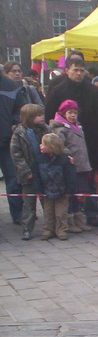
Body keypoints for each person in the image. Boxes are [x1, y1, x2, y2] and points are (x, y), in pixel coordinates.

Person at [44, 56, 98, 226]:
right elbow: (49, 115)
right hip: (66, 141)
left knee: (90, 176)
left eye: (81, 70)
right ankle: (69, 217)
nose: (79, 74)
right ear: (67, 70)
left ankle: (92, 213)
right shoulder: (57, 90)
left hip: (90, 139)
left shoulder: (92, 90)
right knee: (69, 178)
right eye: (75, 70)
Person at [50, 99, 95, 233]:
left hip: (81, 166)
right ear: (64, 113)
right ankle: (69, 221)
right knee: (71, 195)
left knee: (80, 195)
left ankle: (79, 220)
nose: (73, 115)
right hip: (71, 167)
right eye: (70, 112)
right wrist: (68, 155)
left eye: (75, 113)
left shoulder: (78, 126)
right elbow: (60, 146)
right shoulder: (61, 129)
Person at [10, 103, 51, 240]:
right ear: (29, 117)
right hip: (29, 172)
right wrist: (25, 170)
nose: (41, 117)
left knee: (48, 201)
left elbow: (58, 144)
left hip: (45, 170)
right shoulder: (19, 132)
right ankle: (27, 228)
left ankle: (50, 226)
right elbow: (16, 154)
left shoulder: (46, 129)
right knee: (28, 203)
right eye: (38, 115)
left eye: (41, 114)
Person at [36, 132, 76, 241]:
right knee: (48, 212)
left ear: (51, 147)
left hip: (62, 191)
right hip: (46, 191)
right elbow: (37, 175)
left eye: (43, 144)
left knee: (60, 212)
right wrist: (38, 189)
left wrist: (69, 190)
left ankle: (61, 230)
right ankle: (48, 230)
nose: (40, 146)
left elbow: (70, 176)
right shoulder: (39, 159)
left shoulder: (64, 160)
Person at [0, 63, 26, 225]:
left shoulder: (11, 86)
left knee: (14, 179)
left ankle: (18, 214)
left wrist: (16, 122)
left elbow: (20, 109)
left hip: (8, 140)